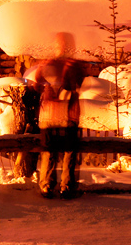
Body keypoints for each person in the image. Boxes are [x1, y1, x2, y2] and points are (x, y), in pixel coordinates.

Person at [30, 57, 88, 198]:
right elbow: (81, 83)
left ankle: (47, 186)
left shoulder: (46, 63)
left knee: (49, 152)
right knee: (68, 153)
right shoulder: (73, 64)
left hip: (49, 117)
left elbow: (37, 85)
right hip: (68, 117)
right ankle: (66, 187)